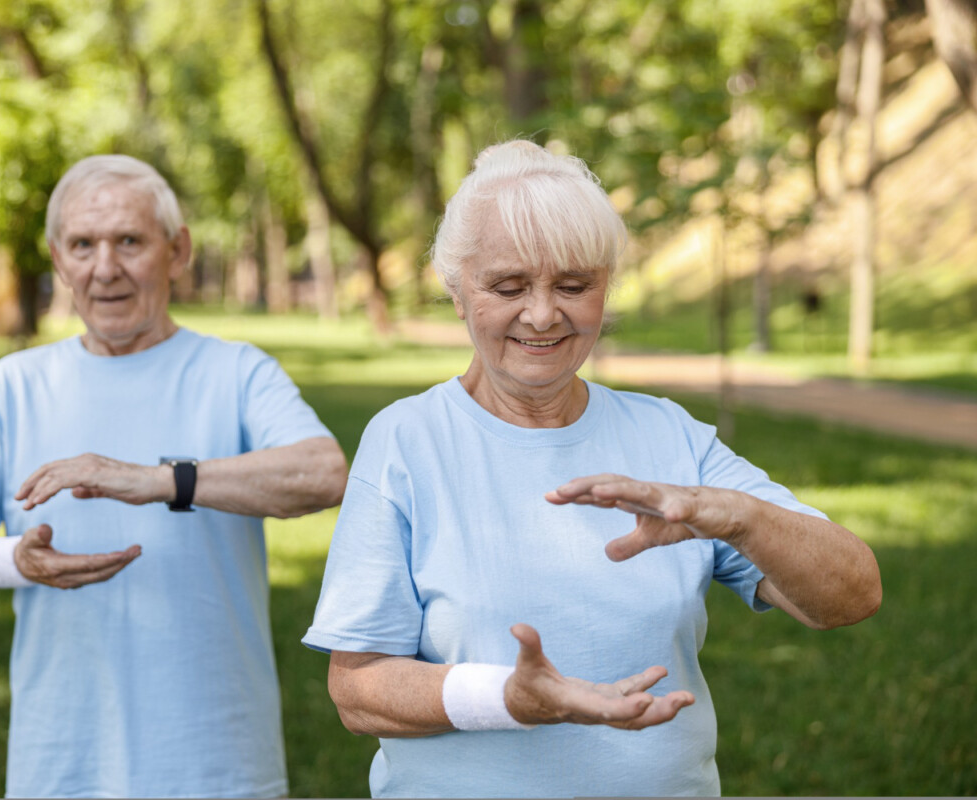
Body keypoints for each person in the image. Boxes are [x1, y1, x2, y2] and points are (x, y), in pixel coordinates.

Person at [302, 141, 881, 798]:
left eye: (574, 286)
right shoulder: (407, 442)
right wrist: (512, 699)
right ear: (458, 291)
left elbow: (852, 595)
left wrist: (743, 518)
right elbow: (358, 691)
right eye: (509, 286)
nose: (544, 314)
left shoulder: (668, 435)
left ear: (605, 288)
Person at [0, 154, 347, 799]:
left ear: (178, 250)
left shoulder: (236, 372)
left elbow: (323, 471)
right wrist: (15, 562)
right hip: (61, 765)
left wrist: (164, 480)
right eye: (83, 245)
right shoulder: (14, 385)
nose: (105, 268)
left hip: (219, 765)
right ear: (58, 260)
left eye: (130, 242)